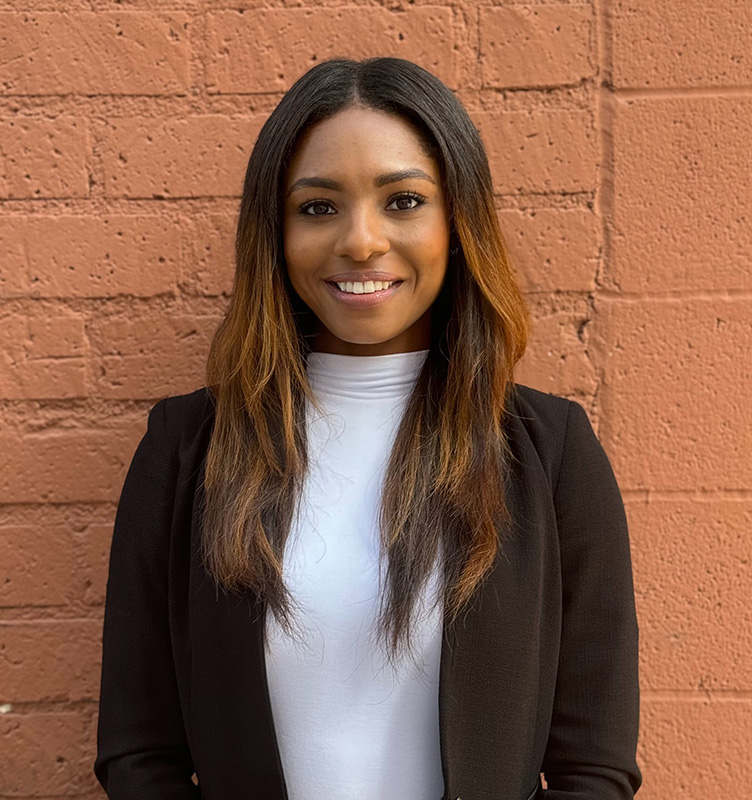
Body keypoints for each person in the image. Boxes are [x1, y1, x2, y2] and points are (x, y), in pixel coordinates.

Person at [93, 57, 642, 800]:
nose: (360, 241)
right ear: (275, 232)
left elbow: (593, 764)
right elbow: (138, 750)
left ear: (458, 222)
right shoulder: (188, 449)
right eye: (318, 208)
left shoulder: (550, 453)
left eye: (404, 201)